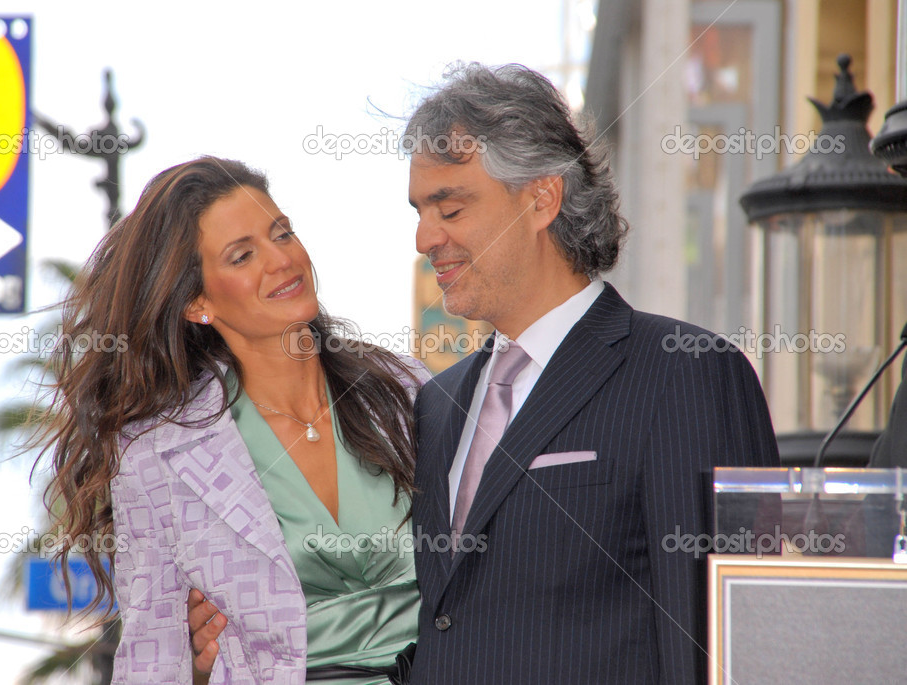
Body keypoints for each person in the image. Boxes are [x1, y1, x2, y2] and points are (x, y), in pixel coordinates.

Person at [403, 64, 780, 684]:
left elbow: (722, 644)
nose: (424, 237)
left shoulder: (686, 374)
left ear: (540, 199)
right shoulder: (438, 403)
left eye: (450, 208)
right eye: (419, 211)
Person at [39, 156, 426, 684]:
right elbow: (153, 659)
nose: (281, 260)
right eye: (243, 256)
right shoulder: (157, 455)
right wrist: (200, 674)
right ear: (198, 302)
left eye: (282, 233)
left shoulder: (409, 392)